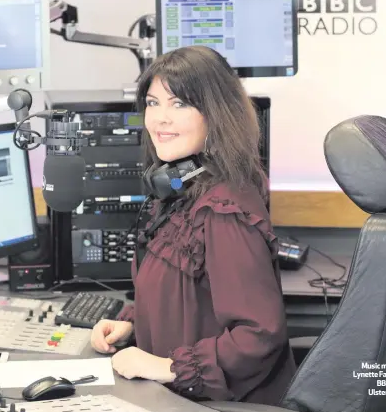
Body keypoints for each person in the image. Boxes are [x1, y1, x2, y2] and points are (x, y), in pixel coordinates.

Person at [90, 45, 296, 405]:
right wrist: (134, 325)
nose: (160, 119)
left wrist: (165, 367)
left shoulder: (222, 211)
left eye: (179, 103)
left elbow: (259, 335)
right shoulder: (181, 191)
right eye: (153, 103)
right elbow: (189, 300)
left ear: (216, 114)